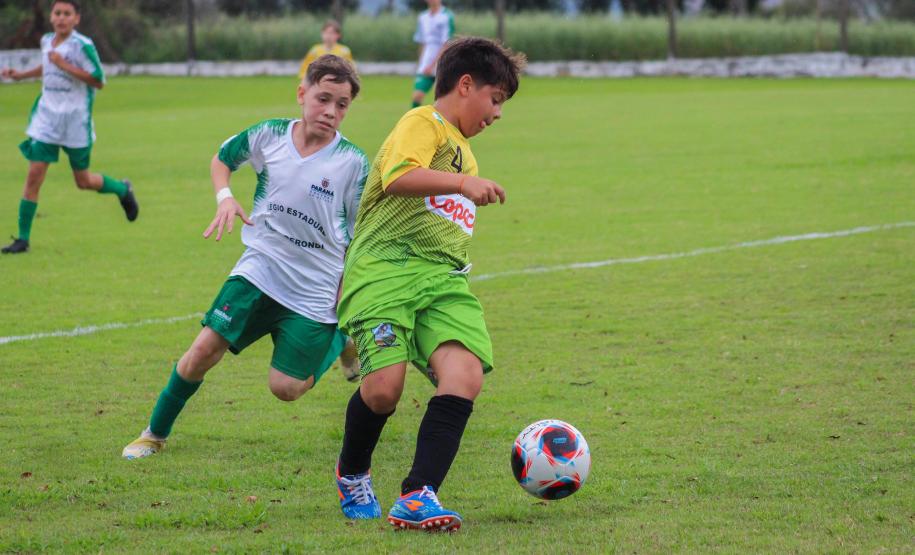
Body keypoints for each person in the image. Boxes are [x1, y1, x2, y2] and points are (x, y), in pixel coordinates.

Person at [122, 55, 368, 460]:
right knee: (203, 349)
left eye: (341, 105)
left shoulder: (353, 163)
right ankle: (154, 434)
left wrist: (345, 297)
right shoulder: (269, 135)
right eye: (323, 98)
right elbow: (222, 159)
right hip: (260, 268)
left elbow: (361, 236)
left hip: (315, 286)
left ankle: (342, 339)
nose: (330, 111)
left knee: (285, 389)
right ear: (302, 93)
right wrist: (225, 197)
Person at [333, 37, 525, 530]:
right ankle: (352, 472)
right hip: (385, 273)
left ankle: (418, 495)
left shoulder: (465, 152)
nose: (498, 114)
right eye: (496, 99)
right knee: (382, 390)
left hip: (442, 284)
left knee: (465, 374)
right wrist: (462, 184)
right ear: (466, 85)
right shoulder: (424, 122)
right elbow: (400, 176)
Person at [0, 0, 138, 255]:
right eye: (57, 13)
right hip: (47, 120)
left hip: (76, 121)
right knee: (34, 176)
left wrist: (65, 66)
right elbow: (46, 66)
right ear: (51, 17)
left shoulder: (82, 45)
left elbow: (98, 81)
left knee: (83, 181)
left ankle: (122, 189)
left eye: (67, 14)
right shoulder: (46, 41)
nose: (61, 18)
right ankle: (22, 239)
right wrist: (20, 75)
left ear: (76, 19)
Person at [410, 0, 454, 108]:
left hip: (443, 62)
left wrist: (434, 65)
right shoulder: (423, 17)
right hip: (426, 63)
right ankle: (415, 123)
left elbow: (446, 43)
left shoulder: (446, 16)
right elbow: (422, 43)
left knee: (442, 99)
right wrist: (421, 63)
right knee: (417, 96)